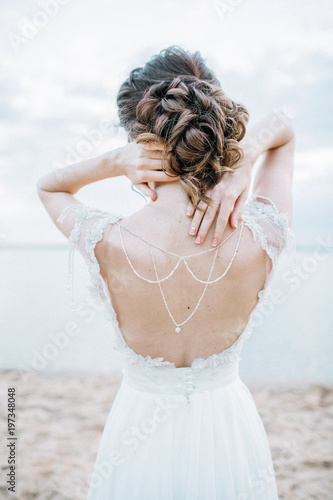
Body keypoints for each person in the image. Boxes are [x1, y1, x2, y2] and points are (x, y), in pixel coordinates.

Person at [37, 46, 295, 499]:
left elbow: (49, 186)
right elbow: (285, 128)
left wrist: (113, 162)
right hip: (229, 431)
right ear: (213, 121)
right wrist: (243, 161)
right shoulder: (263, 233)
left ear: (137, 136)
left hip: (137, 429)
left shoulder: (107, 241)